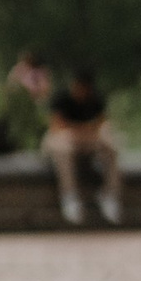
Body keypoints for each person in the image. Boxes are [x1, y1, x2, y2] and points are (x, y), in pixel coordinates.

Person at [44, 66, 122, 226]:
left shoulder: (96, 100)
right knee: (62, 150)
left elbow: (103, 125)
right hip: (64, 140)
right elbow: (57, 127)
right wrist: (84, 131)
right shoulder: (62, 99)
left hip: (87, 140)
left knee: (112, 147)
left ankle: (109, 196)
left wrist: (89, 134)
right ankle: (69, 197)